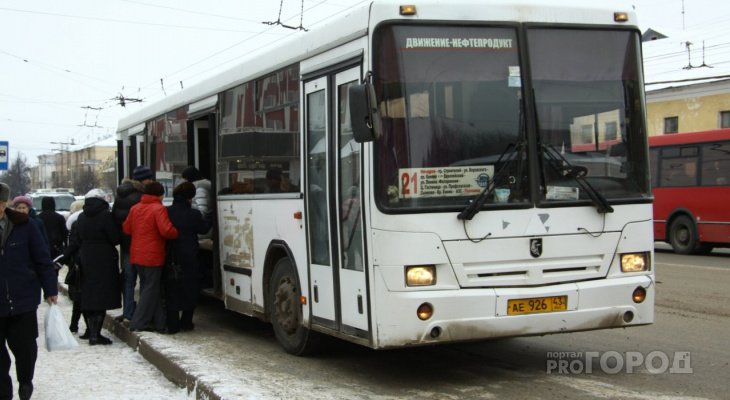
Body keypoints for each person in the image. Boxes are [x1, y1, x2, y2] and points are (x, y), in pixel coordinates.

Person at [0, 183, 59, 400]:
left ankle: (25, 383)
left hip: (22, 300)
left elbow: (42, 259)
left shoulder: (26, 225)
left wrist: (50, 288)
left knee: (25, 351)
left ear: (6, 204)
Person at [57, 189, 121, 345]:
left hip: (85, 257)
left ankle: (91, 331)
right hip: (104, 257)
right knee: (102, 294)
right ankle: (95, 334)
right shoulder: (106, 215)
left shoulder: (82, 216)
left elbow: (77, 239)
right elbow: (115, 238)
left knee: (89, 293)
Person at [123, 182, 178, 333]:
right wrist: (176, 232)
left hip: (137, 254)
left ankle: (160, 323)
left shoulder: (135, 208)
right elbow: (166, 231)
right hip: (153, 255)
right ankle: (138, 322)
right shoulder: (158, 208)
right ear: (159, 194)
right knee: (150, 289)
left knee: (150, 288)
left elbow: (126, 228)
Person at [164, 182, 211, 334]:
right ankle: (186, 321)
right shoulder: (193, 214)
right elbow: (203, 228)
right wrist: (210, 215)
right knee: (190, 287)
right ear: (190, 197)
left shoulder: (167, 211)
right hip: (189, 255)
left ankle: (172, 323)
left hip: (170, 255)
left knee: (172, 287)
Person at [111, 177, 145, 324]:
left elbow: (114, 220)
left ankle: (128, 313)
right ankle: (142, 314)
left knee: (128, 280)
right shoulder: (140, 198)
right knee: (144, 280)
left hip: (126, 244)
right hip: (140, 244)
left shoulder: (118, 199)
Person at [63, 200, 87, 337]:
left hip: (76, 264)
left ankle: (75, 325)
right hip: (84, 262)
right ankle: (77, 325)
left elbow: (72, 245)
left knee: (77, 296)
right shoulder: (83, 222)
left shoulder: (73, 224)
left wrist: (64, 259)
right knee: (80, 296)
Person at [37, 197, 68, 262]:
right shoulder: (59, 217)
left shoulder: (38, 218)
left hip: (41, 247)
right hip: (56, 247)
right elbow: (64, 233)